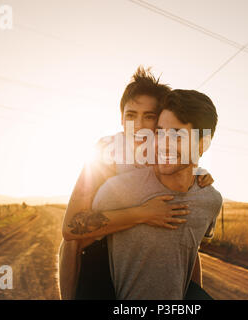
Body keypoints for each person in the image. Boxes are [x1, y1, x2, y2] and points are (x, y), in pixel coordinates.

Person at [58, 67, 214, 299]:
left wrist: (198, 173)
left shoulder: (169, 157)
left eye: (149, 116)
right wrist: (143, 214)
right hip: (98, 252)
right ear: (121, 118)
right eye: (131, 115)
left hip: (152, 257)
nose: (139, 125)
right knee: (72, 246)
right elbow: (71, 228)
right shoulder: (106, 152)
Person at [88, 89, 222, 299]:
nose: (163, 144)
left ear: (202, 144)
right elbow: (75, 241)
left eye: (177, 135)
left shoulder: (210, 200)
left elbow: (189, 253)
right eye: (160, 132)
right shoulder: (117, 189)